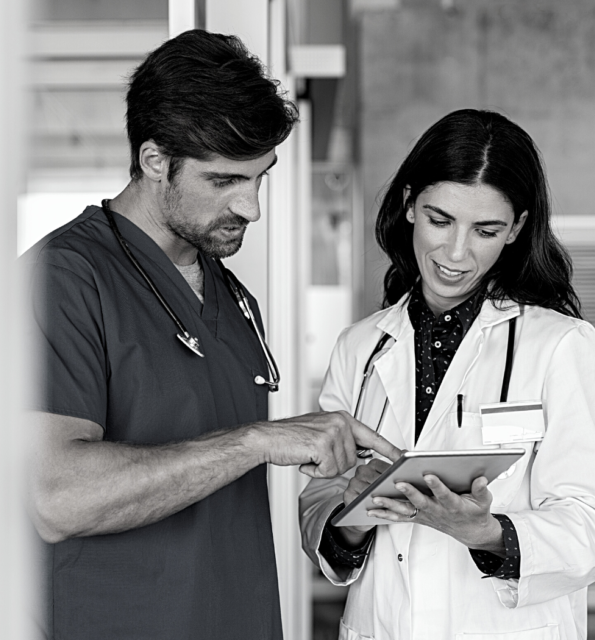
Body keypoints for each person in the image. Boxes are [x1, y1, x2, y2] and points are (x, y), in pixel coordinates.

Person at [24, 29, 399, 640]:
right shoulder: (64, 279)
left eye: (260, 177)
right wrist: (254, 442)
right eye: (224, 181)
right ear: (153, 161)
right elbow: (56, 498)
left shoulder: (226, 291)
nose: (251, 207)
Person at [299, 109, 595, 640]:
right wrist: (355, 514)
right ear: (409, 204)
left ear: (517, 229)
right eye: (439, 219)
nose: (455, 253)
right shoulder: (359, 348)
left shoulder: (562, 345)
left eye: (486, 230)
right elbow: (318, 506)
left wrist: (489, 533)